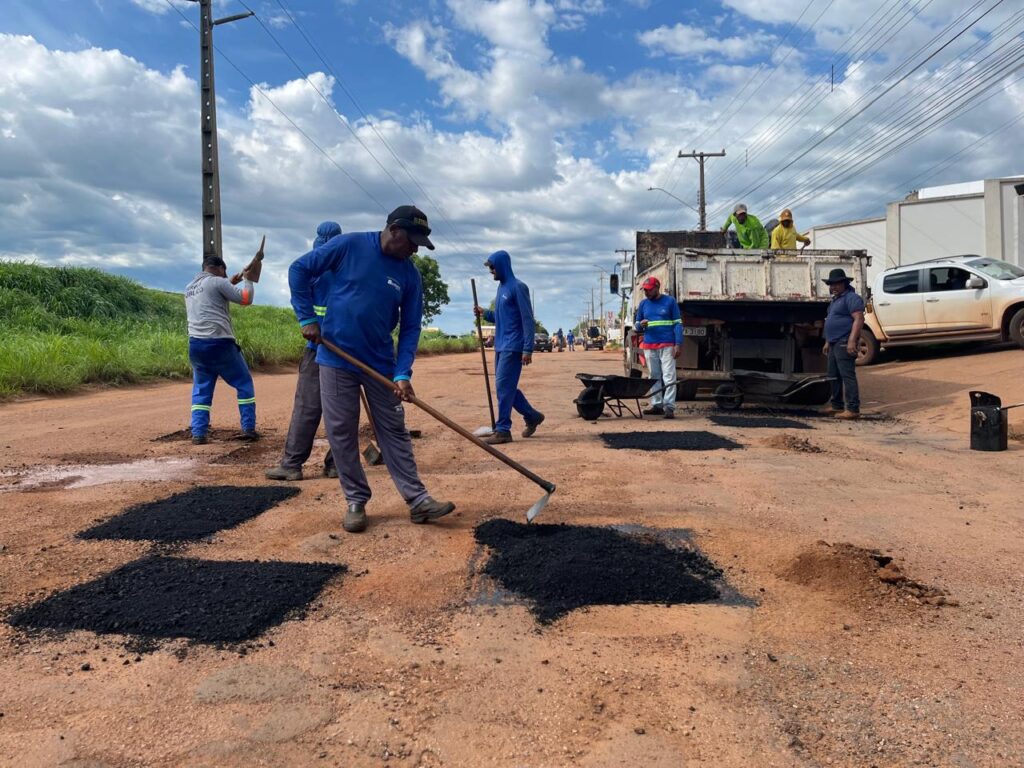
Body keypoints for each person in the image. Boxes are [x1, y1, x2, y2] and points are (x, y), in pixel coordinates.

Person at [289, 205, 455, 534]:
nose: (414, 249)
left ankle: (418, 500)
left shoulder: (410, 275)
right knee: (342, 432)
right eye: (412, 242)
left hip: (380, 362)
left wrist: (403, 372)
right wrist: (306, 318)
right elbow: (299, 269)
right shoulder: (348, 246)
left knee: (393, 430)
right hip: (336, 359)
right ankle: (356, 500)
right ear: (394, 230)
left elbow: (410, 328)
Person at [266, 221, 342, 481]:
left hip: (320, 349)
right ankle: (336, 465)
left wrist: (306, 321)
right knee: (342, 409)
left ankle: (291, 465)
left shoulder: (311, 268)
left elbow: (298, 294)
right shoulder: (346, 269)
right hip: (344, 349)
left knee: (308, 407)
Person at [184, 254, 259, 445]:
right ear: (219, 268)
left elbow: (215, 293)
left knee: (202, 389)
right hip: (220, 343)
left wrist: (231, 282)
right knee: (243, 383)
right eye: (224, 272)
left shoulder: (190, 287)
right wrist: (248, 280)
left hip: (196, 345)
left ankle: (199, 433)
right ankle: (248, 428)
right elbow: (245, 299)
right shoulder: (218, 282)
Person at [473, 250, 545, 445]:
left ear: (502, 265)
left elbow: (527, 319)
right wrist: (484, 313)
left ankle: (503, 429)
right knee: (505, 387)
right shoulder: (502, 289)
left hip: (513, 346)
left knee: (504, 387)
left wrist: (528, 348)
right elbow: (501, 317)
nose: (491, 271)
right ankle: (532, 416)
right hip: (500, 346)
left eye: (493, 267)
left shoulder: (518, 287)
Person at [633, 276, 682, 419]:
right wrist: (640, 325)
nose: (646, 293)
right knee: (654, 376)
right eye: (645, 290)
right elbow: (636, 325)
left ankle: (669, 407)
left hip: (667, 345)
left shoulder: (670, 302)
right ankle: (657, 405)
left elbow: (678, 324)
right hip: (649, 345)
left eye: (649, 290)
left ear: (657, 288)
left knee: (669, 376)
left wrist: (678, 344)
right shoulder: (643, 304)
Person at [822, 268, 865, 420]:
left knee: (847, 375)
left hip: (844, 341)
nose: (832, 287)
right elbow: (830, 321)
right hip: (834, 342)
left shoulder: (851, 298)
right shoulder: (835, 300)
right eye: (830, 284)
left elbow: (859, 319)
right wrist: (827, 341)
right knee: (833, 375)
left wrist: (852, 341)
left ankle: (853, 409)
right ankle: (837, 405)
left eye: (836, 284)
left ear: (844, 283)